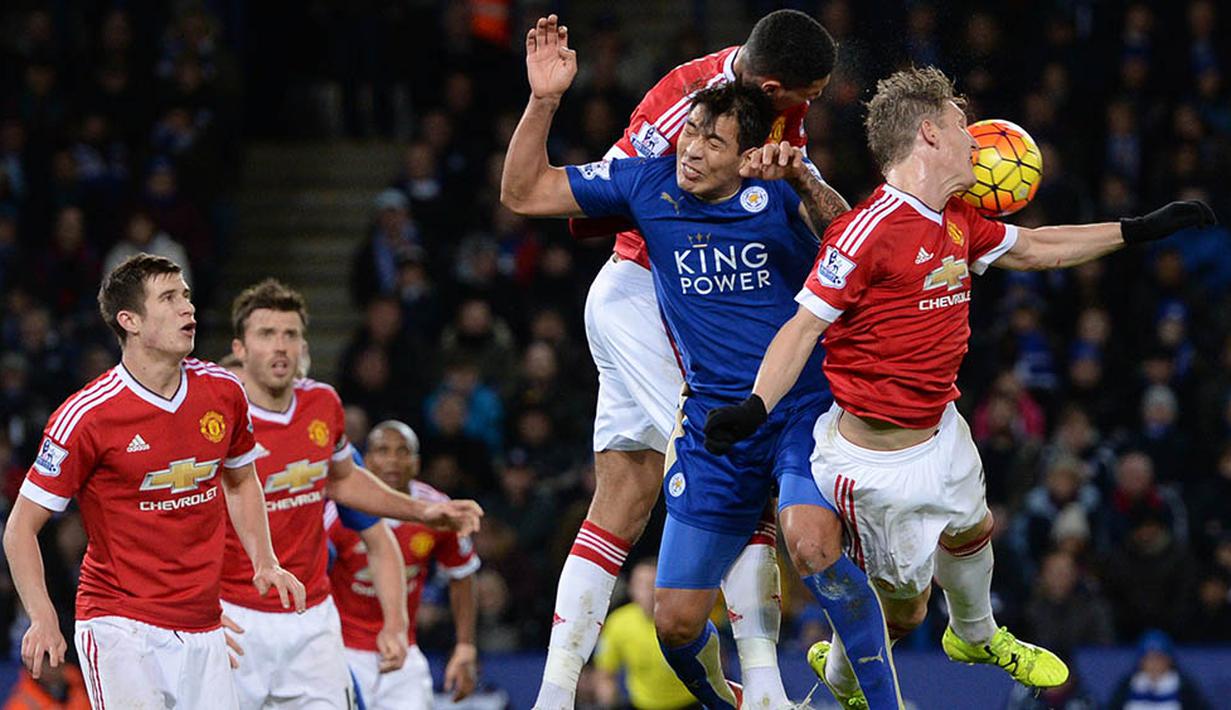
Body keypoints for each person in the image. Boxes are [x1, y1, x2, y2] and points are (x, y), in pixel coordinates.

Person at [703, 66, 1217, 704]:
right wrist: (755, 405)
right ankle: (835, 691)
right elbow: (803, 328)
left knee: (974, 528)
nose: (974, 140)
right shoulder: (866, 233)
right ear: (928, 134)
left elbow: (1033, 247)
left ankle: (977, 634)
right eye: (958, 125)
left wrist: (1134, 230)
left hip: (943, 428)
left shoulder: (955, 217)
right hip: (875, 462)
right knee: (902, 615)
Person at [502, 16, 902, 710]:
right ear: (776, 89)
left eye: (711, 140)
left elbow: (840, 239)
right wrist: (543, 101)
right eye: (801, 98)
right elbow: (546, 196)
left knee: (624, 493)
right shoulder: (673, 136)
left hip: (664, 301)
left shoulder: (766, 133)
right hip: (646, 292)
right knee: (726, 448)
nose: (805, 111)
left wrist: (798, 180)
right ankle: (769, 691)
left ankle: (553, 694)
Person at [2, 253, 306, 709]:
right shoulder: (86, 416)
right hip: (121, 626)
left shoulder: (224, 393)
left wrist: (264, 559)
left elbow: (242, 481)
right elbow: (20, 526)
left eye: (185, 295)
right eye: (169, 298)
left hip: (205, 624)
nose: (189, 307)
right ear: (131, 321)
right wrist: (42, 614)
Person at [218, 279, 484, 707]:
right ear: (242, 347)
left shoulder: (322, 404)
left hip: (312, 618)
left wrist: (422, 512)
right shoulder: (214, 419)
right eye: (266, 334)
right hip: (236, 613)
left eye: (290, 334)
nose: (280, 346)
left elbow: (344, 481)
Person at [329, 421, 480, 709]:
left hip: (405, 652)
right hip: (340, 651)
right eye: (383, 450)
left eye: (403, 451)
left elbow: (463, 574)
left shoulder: (437, 511)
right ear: (366, 458)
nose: (393, 460)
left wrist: (465, 645)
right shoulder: (336, 510)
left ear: (417, 462)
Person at [592, 558, 699, 710]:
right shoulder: (617, 624)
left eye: (654, 585)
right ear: (631, 588)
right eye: (642, 585)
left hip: (690, 703)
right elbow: (605, 674)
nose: (648, 593)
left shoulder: (686, 618)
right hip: (642, 705)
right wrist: (608, 701)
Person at [1108, 630, 1211, 709]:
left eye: (1159, 658)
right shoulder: (1128, 685)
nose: (1154, 664)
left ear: (1169, 660)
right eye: (1149, 658)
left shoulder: (1184, 687)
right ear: (1141, 662)